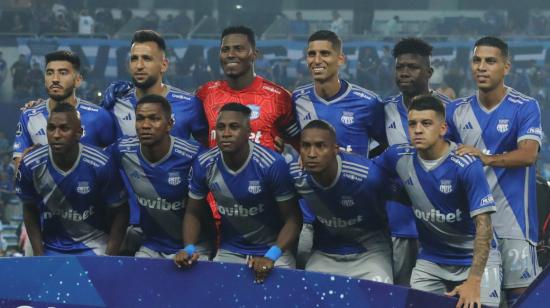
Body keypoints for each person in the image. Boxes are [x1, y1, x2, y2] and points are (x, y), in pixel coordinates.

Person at [374, 95, 502, 307]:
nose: (417, 130)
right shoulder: (398, 156)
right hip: (431, 260)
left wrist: (474, 280)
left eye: (426, 123)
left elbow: (484, 226)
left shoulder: (466, 165)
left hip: (475, 260)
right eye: (412, 123)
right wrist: (337, 157)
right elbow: (366, 174)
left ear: (442, 128)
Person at [445, 36, 542, 306]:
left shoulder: (525, 106)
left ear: (506, 67)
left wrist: (485, 158)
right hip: (473, 228)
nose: (482, 67)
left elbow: (528, 154)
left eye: (490, 61)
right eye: (477, 60)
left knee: (522, 301)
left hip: (515, 225)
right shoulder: (456, 110)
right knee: (477, 301)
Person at [174, 103, 302, 284]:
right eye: (221, 127)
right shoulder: (204, 164)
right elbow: (193, 211)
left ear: (248, 131)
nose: (226, 133)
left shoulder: (272, 164)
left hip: (274, 250)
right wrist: (188, 248)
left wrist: (271, 256)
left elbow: (293, 219)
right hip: (230, 251)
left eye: (234, 127)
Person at [15, 103, 129, 256]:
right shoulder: (30, 164)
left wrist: (109, 256)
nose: (56, 135)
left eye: (64, 128)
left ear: (79, 133)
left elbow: (121, 211)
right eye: (51, 128)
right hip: (51, 248)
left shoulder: (101, 163)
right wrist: (39, 255)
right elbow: (29, 208)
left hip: (95, 247)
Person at [109, 94, 213, 259]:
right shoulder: (123, 151)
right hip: (152, 246)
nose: (145, 125)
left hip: (196, 247)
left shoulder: (194, 155)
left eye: (154, 119)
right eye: (140, 119)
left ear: (169, 124)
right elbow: (94, 166)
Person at [383, 37, 452, 286]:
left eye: (412, 67)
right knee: (400, 291)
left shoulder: (449, 110)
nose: (404, 72)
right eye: (400, 67)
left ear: (429, 72)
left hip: (441, 222)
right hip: (400, 222)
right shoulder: (384, 110)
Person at [290, 120, 393, 283]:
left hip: (369, 253)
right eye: (306, 146)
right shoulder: (294, 176)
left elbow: (396, 208)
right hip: (324, 254)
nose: (311, 153)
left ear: (335, 149)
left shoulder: (367, 176)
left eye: (320, 146)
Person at [196, 25, 300, 151]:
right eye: (225, 50)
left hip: (263, 170)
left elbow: (299, 142)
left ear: (254, 54)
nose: (230, 54)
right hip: (218, 170)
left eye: (238, 49)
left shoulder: (279, 96)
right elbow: (199, 135)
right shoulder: (205, 93)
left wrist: (275, 154)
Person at [12, 51, 117, 171]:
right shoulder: (28, 116)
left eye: (63, 73)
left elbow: (113, 166)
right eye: (50, 73)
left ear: (78, 80)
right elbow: (18, 171)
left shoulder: (99, 116)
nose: (55, 79)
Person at [101, 30, 208, 144]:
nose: (139, 66)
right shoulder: (115, 104)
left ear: (164, 65)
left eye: (147, 58)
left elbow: (205, 152)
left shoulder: (189, 104)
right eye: (134, 59)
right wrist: (101, 113)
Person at [293, 30, 385, 158]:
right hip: (311, 178)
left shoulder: (369, 102)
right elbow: (288, 136)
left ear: (340, 59)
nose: (317, 60)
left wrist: (363, 164)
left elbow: (386, 144)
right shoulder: (297, 98)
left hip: (353, 177)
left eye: (325, 54)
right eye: (311, 54)